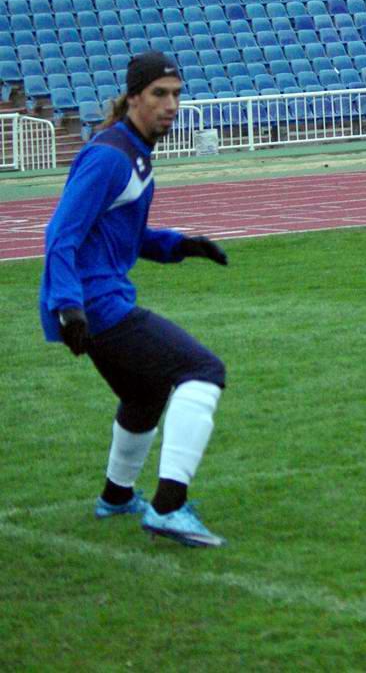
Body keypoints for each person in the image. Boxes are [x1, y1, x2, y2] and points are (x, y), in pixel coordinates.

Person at [39, 51, 230, 547]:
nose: (171, 105)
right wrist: (68, 306)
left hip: (97, 300)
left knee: (145, 394)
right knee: (203, 370)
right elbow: (61, 233)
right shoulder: (110, 157)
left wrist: (180, 245)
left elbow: (122, 233)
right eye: (159, 94)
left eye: (177, 94)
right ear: (132, 98)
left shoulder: (134, 152)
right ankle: (168, 507)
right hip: (95, 305)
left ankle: (117, 497)